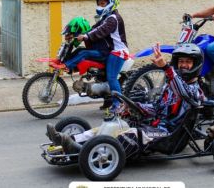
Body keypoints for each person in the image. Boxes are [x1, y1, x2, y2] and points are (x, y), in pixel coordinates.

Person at [45, 43, 205, 154]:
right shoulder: (169, 86)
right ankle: (68, 140)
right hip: (155, 127)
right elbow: (156, 108)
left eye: (188, 62)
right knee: (111, 127)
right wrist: (133, 106)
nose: (183, 65)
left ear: (196, 64)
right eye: (181, 62)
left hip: (168, 136)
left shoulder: (195, 90)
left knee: (129, 135)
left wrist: (166, 68)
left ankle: (83, 152)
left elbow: (183, 92)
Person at [79, 0, 129, 116]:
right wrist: (82, 34)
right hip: (113, 51)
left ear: (112, 2)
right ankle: (108, 100)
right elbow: (95, 28)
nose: (100, 6)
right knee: (103, 76)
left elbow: (101, 31)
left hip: (118, 51)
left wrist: (86, 37)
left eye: (103, 3)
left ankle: (120, 105)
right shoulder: (106, 17)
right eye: (99, 3)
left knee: (112, 78)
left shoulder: (113, 18)